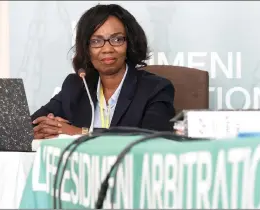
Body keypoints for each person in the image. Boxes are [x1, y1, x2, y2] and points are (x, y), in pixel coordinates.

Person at [31, 4, 175, 139]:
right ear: (86, 49)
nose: (107, 49)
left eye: (117, 39)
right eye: (96, 41)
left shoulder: (155, 89)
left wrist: (80, 133)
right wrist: (49, 127)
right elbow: (28, 127)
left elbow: (153, 141)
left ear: (129, 43)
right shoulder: (76, 86)